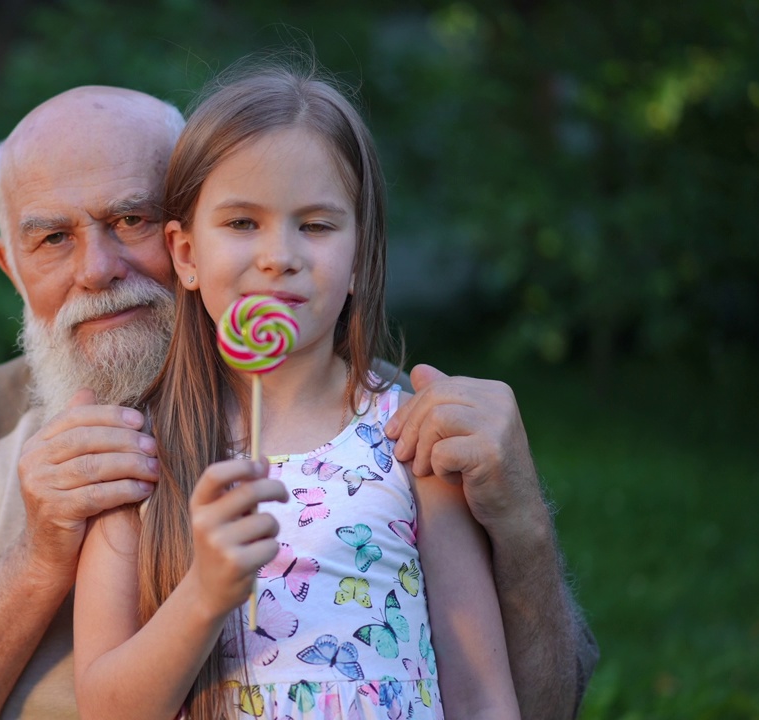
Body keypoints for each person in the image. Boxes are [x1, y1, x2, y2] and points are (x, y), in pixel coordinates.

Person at [0, 85, 598, 719]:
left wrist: (521, 519)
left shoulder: (398, 426)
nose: (99, 269)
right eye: (53, 238)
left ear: (184, 228)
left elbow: (528, 701)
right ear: (9, 265)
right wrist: (39, 559)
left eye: (132, 218)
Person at [72, 65, 519, 719]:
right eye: (243, 224)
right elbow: (107, 710)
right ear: (187, 254)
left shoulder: (407, 440)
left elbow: (482, 696)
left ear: (359, 256)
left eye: (315, 225)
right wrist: (205, 592)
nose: (280, 255)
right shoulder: (142, 455)